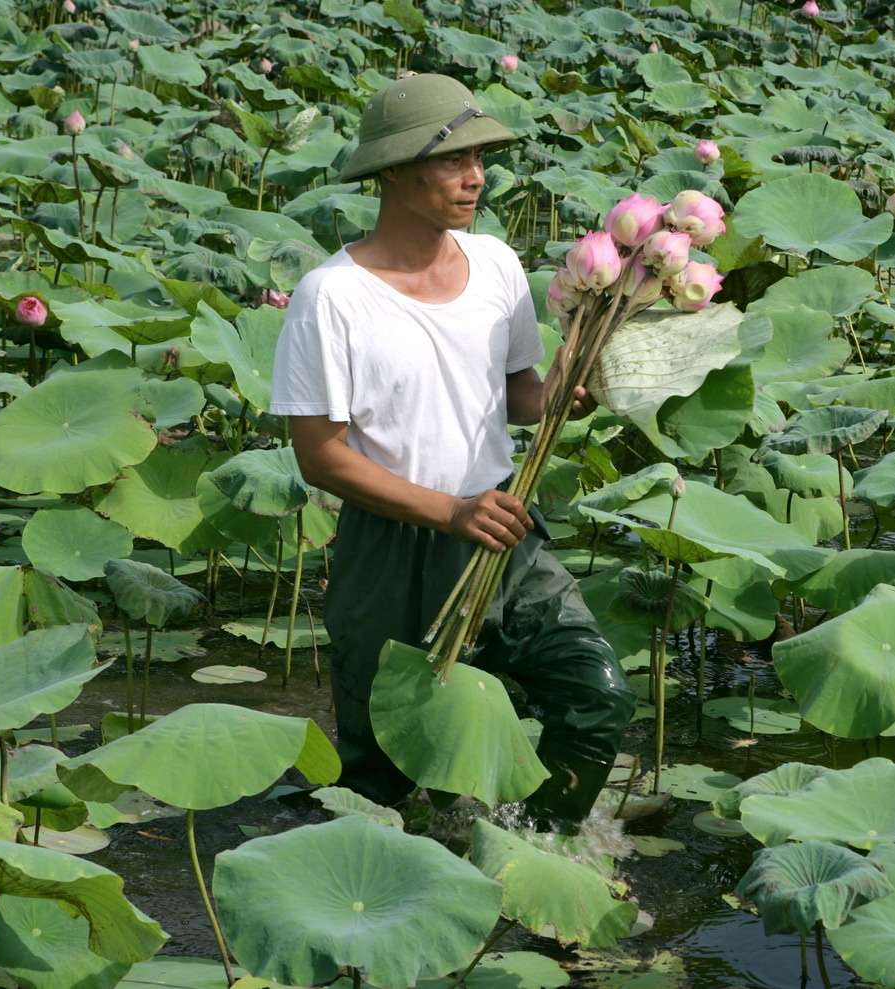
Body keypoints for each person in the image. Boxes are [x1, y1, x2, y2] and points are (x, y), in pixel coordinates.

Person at [269, 72, 636, 831]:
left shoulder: (497, 265)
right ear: (396, 171)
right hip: (394, 545)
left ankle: (537, 849)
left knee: (597, 694)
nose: (475, 177)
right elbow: (320, 457)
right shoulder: (332, 296)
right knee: (385, 774)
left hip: (503, 527)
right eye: (453, 160)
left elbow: (518, 395)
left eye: (480, 159)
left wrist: (578, 382)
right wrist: (450, 511)